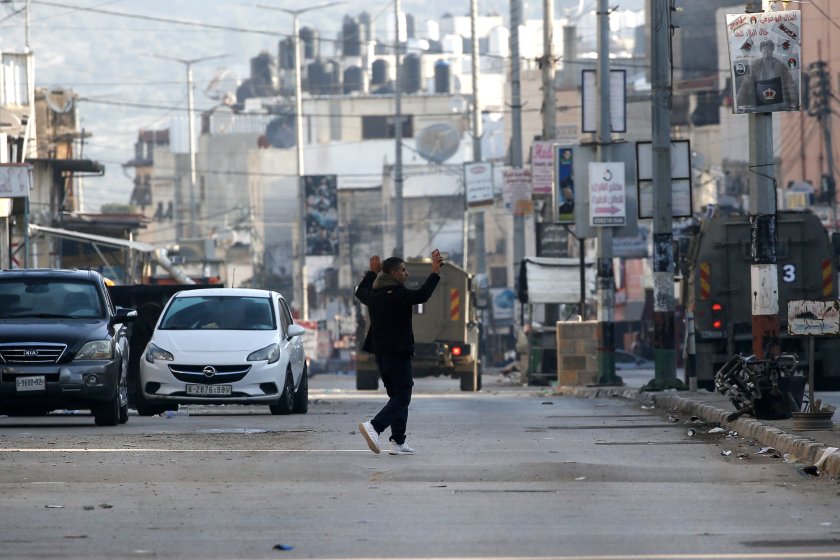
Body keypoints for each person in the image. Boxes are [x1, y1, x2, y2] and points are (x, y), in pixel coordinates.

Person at [354, 251, 443, 455]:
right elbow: (422, 295)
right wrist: (435, 273)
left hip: (381, 354)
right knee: (402, 397)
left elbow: (361, 291)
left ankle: (398, 442)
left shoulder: (374, 295)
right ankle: (374, 427)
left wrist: (372, 272)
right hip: (398, 353)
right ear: (393, 274)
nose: (406, 274)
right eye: (403, 270)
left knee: (397, 396)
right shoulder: (398, 294)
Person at [735, 39, 799, 111]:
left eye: (769, 49)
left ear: (772, 50)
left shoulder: (780, 64)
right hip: (759, 100)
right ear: (761, 51)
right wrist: (738, 100)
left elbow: (789, 83)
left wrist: (794, 101)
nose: (766, 51)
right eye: (764, 49)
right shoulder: (754, 65)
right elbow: (746, 83)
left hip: (777, 101)